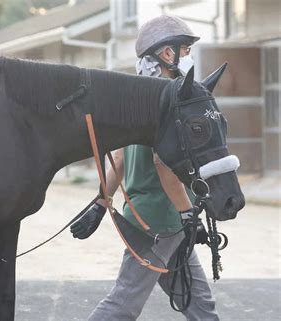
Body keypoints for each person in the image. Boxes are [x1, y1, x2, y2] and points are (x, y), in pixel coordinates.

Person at [70, 15, 219, 321]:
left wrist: (101, 204)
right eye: (186, 49)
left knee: (200, 304)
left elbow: (122, 158)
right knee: (123, 305)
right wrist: (188, 214)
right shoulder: (173, 101)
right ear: (168, 54)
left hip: (164, 222)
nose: (189, 56)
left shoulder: (140, 98)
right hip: (160, 222)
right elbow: (162, 164)